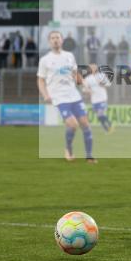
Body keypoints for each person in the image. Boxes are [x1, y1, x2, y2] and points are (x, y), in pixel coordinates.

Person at [37, 31, 95, 163]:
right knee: (73, 124)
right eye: (52, 38)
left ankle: (89, 156)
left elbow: (75, 74)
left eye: (57, 37)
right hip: (59, 97)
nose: (55, 40)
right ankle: (68, 149)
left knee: (85, 124)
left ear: (62, 40)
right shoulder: (45, 60)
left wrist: (85, 85)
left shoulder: (69, 56)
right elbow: (40, 80)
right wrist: (45, 94)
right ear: (49, 41)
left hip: (73, 95)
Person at [82, 64, 114, 133]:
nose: (92, 69)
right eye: (91, 68)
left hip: (102, 98)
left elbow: (108, 84)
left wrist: (102, 83)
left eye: (93, 67)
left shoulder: (101, 75)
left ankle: (110, 124)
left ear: (96, 68)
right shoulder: (88, 78)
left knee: (100, 113)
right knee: (99, 116)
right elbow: (84, 89)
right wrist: (87, 91)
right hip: (94, 100)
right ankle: (106, 129)